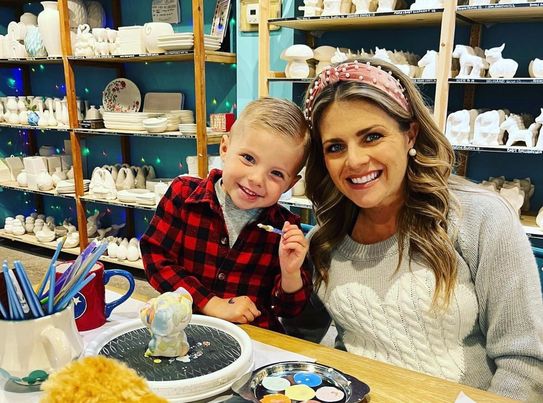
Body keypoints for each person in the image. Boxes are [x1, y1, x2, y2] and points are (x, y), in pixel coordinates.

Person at [292, 58, 543, 399]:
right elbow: (310, 338)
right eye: (335, 147)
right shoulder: (325, 239)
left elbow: (525, 364)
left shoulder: (480, 219)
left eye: (372, 137)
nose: (354, 161)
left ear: (410, 134)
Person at [140, 97, 312, 332]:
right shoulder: (183, 195)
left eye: (276, 174)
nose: (256, 179)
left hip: (253, 336)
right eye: (248, 158)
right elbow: (156, 259)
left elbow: (289, 309)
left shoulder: (285, 227)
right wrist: (211, 303)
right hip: (186, 326)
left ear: (290, 184)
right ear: (225, 148)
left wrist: (290, 273)